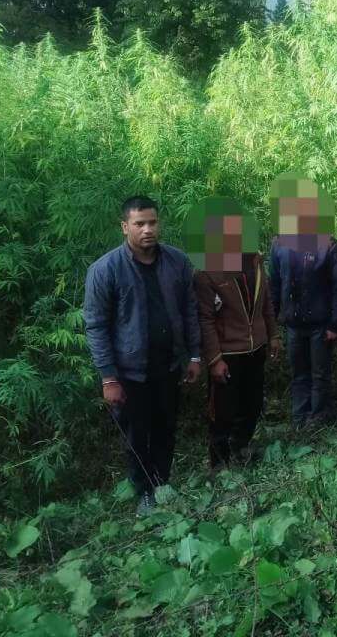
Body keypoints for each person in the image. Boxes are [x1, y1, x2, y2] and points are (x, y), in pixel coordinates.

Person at [83, 196, 201, 515]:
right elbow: (95, 326)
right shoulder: (105, 269)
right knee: (137, 435)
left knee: (165, 427)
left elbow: (190, 311)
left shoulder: (176, 261)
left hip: (169, 364)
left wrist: (194, 357)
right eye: (139, 224)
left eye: (152, 222)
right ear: (125, 227)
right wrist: (108, 377)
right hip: (129, 372)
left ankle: (162, 483)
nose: (147, 230)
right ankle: (144, 492)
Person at [187, 197, 282, 470]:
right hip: (228, 353)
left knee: (252, 405)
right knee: (223, 411)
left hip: (256, 347)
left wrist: (273, 334)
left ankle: (241, 449)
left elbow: (266, 301)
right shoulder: (206, 272)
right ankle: (219, 463)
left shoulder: (254, 260)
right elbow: (204, 319)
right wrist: (215, 359)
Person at [268, 174, 337, 428]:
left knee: (320, 373)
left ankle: (318, 418)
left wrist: (336, 324)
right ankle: (299, 417)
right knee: (298, 373)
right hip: (292, 323)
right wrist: (272, 326)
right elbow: (274, 285)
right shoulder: (279, 244)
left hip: (320, 323)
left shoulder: (327, 245)